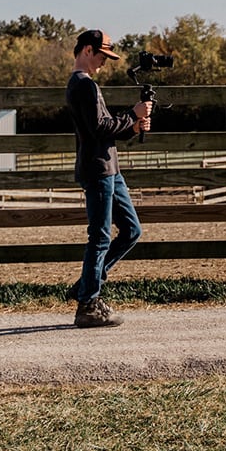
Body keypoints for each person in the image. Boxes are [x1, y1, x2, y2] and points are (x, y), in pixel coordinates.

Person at [66, 28, 152, 328]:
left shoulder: (86, 85)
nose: (104, 61)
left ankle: (87, 285)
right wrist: (133, 113)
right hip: (98, 170)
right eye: (102, 55)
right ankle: (88, 305)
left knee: (131, 230)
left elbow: (104, 128)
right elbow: (100, 127)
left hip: (110, 169)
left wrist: (134, 127)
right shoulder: (83, 86)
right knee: (100, 236)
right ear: (87, 50)